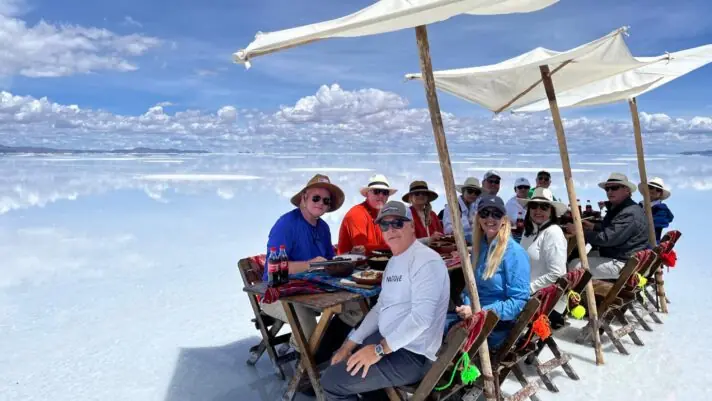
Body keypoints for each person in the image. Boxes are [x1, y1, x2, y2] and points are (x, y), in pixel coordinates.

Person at [322, 201, 450, 401]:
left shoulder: (427, 261)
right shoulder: (394, 261)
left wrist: (379, 350)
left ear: (411, 226)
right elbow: (381, 307)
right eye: (384, 225)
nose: (391, 229)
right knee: (339, 359)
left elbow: (421, 319)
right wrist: (348, 345)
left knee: (331, 382)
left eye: (398, 223)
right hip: (390, 341)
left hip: (413, 354)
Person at [262, 174, 345, 346]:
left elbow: (327, 261)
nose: (321, 203)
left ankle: (327, 351)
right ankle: (301, 353)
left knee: (354, 309)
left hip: (312, 290)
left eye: (326, 201)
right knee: (309, 334)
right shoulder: (286, 224)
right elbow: (275, 269)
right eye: (316, 198)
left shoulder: (323, 228)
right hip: (278, 293)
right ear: (303, 198)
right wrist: (310, 264)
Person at [450, 195, 530, 349]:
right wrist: (467, 307)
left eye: (496, 214)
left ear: (504, 219)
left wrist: (478, 312)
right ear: (478, 218)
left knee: (443, 335)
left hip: (497, 326)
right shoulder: (479, 248)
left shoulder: (514, 253)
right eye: (485, 213)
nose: (490, 218)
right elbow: (469, 289)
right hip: (475, 320)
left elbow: (518, 303)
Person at [566, 173, 649, 279]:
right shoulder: (621, 207)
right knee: (578, 257)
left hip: (623, 263)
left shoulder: (629, 213)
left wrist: (578, 232)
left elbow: (607, 239)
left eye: (614, 188)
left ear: (627, 190)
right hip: (620, 256)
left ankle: (576, 293)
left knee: (574, 265)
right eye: (607, 189)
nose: (609, 192)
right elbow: (614, 229)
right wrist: (593, 227)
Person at [519, 188, 568, 293]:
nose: (538, 210)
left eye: (544, 207)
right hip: (523, 290)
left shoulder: (553, 232)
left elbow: (557, 274)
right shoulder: (528, 231)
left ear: (552, 211)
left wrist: (529, 289)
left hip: (540, 298)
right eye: (534, 206)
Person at [337, 174, 397, 255]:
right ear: (367, 194)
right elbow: (362, 250)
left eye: (385, 192)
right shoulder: (357, 214)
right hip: (352, 265)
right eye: (376, 191)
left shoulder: (382, 216)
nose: (381, 195)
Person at [442, 177, 481, 243]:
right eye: (470, 191)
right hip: (457, 243)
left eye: (476, 193)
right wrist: (468, 223)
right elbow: (447, 230)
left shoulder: (475, 206)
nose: (473, 194)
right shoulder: (452, 206)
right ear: (463, 191)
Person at [639, 177, 674, 243]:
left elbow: (655, 224)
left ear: (660, 194)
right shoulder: (639, 206)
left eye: (658, 189)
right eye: (651, 187)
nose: (654, 190)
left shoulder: (662, 209)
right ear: (646, 189)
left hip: (650, 244)